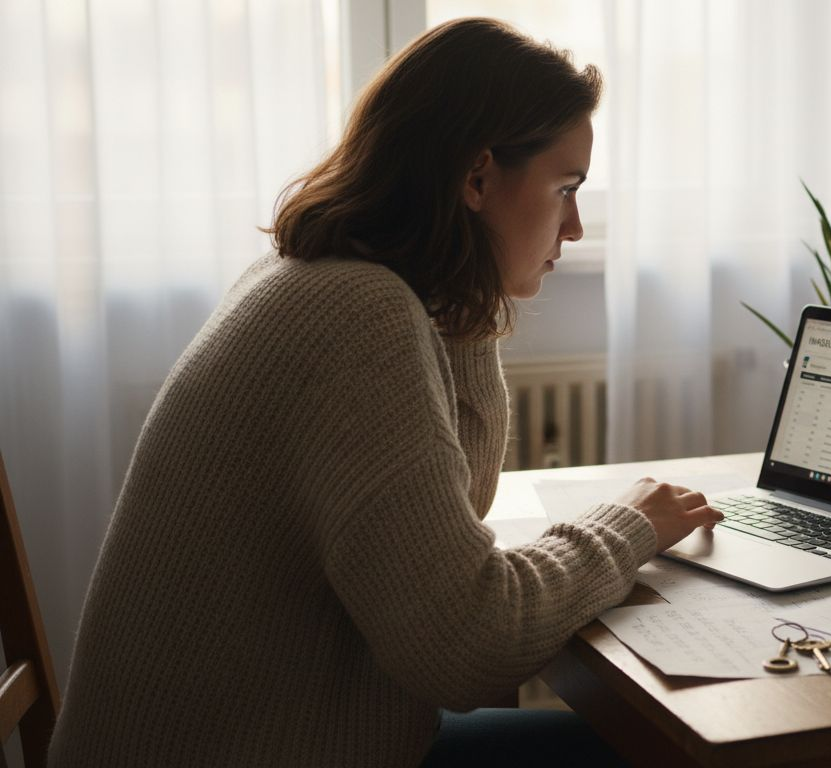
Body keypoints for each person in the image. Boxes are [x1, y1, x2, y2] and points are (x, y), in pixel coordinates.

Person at [48, 18, 721, 767]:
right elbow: (469, 646)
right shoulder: (352, 316)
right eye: (564, 188)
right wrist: (626, 527)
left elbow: (463, 502)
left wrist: (465, 292)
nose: (575, 225)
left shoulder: (325, 279)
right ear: (476, 178)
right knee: (681, 753)